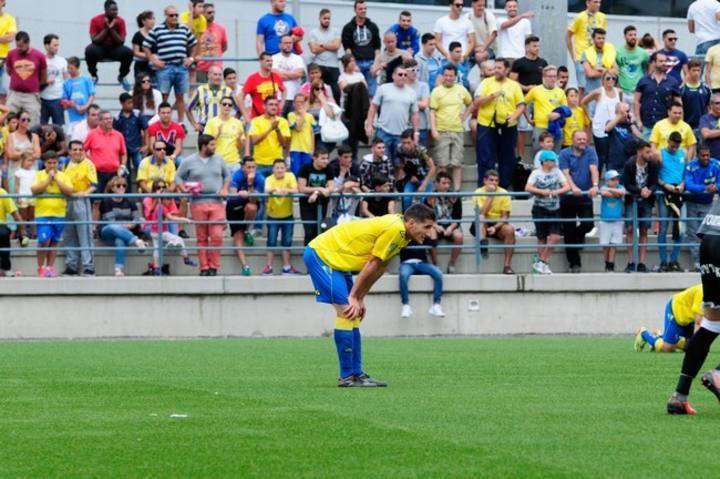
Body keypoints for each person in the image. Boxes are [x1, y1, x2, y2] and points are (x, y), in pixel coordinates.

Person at [304, 202, 436, 387]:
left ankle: (357, 374)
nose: (430, 233)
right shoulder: (396, 229)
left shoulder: (403, 234)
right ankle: (346, 377)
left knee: (353, 313)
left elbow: (381, 266)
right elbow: (373, 262)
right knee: (346, 312)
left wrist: (360, 297)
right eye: (427, 227)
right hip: (323, 255)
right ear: (412, 222)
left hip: (339, 261)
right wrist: (354, 297)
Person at [176, 134, 229, 276]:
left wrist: (224, 189)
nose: (214, 147)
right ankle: (204, 267)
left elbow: (227, 175)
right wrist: (184, 188)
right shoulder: (189, 161)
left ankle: (214, 265)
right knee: (202, 237)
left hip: (216, 202)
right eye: (211, 145)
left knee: (217, 236)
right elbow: (178, 176)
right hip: (198, 202)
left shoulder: (219, 159)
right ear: (203, 146)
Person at [475, 58, 525, 189]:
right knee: (485, 158)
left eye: (499, 68)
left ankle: (504, 187)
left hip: (508, 126)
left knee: (508, 158)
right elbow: (477, 103)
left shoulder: (514, 85)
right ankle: (484, 187)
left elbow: (521, 105)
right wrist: (491, 96)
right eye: (495, 67)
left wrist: (514, 116)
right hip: (487, 125)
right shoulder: (486, 83)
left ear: (507, 70)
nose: (496, 70)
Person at [143, 6, 198, 123]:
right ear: (166, 16)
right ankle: (162, 120)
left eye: (176, 15)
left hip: (181, 67)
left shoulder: (184, 29)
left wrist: (191, 58)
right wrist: (153, 60)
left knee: (180, 96)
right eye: (171, 15)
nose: (174, 17)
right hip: (165, 67)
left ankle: (180, 122)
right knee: (163, 96)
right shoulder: (158, 29)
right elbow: (145, 45)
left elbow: (194, 43)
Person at [558, 131, 599, 273]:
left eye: (585, 139)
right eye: (579, 139)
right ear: (572, 140)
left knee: (588, 224)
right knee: (568, 231)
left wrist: (595, 185)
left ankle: (577, 235)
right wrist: (573, 187)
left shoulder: (591, 152)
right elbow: (565, 173)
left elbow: (593, 169)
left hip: (585, 197)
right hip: (567, 198)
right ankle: (574, 264)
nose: (582, 141)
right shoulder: (564, 153)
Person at [366, 64, 419, 171]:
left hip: (402, 135)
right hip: (383, 131)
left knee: (399, 164)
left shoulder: (412, 93)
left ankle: (397, 187)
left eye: (405, 74)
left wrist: (416, 132)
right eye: (400, 74)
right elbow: (373, 107)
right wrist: (369, 124)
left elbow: (414, 114)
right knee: (382, 162)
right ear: (393, 76)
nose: (403, 77)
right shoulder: (383, 88)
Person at [525, 150, 570, 275]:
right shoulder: (536, 173)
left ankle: (541, 261)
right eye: (552, 160)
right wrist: (542, 192)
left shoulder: (557, 172)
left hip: (554, 209)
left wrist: (557, 192)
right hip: (539, 208)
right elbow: (528, 187)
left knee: (555, 236)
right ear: (544, 162)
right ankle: (543, 266)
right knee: (542, 237)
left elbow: (567, 186)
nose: (555, 163)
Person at [429, 64, 473, 192]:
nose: (448, 78)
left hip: (458, 130)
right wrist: (434, 129)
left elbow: (470, 104)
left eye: (451, 76)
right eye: (446, 75)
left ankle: (457, 190)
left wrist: (464, 116)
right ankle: (442, 189)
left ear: (455, 76)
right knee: (442, 163)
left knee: (457, 162)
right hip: (442, 129)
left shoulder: (461, 89)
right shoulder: (437, 91)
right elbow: (432, 112)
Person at [31, 150, 73, 278]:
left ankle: (50, 267)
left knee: (54, 241)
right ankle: (41, 267)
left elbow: (69, 191)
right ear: (45, 163)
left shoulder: (64, 176)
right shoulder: (38, 175)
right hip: (43, 213)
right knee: (44, 240)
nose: (52, 165)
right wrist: (49, 179)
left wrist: (56, 179)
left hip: (59, 214)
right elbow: (34, 190)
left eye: (54, 163)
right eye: (49, 163)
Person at [143, 180, 197, 275]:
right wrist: (184, 219)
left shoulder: (158, 206)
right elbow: (170, 217)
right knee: (179, 239)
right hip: (161, 232)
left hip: (154, 232)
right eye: (167, 199)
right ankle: (186, 258)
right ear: (162, 199)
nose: (169, 201)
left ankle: (156, 269)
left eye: (170, 199)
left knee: (157, 249)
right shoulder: (162, 207)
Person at [62, 140, 97, 276]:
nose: (77, 152)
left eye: (80, 149)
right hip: (67, 199)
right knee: (69, 234)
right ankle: (72, 265)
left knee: (85, 233)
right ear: (70, 151)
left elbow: (94, 184)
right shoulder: (65, 163)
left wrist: (85, 193)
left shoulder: (88, 164)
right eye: (74, 149)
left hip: (81, 199)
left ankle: (89, 266)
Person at [622, 139, 658, 273]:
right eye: (647, 152)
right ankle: (631, 261)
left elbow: (654, 182)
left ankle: (642, 262)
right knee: (630, 228)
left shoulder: (653, 164)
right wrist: (640, 191)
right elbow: (627, 184)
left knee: (644, 230)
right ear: (639, 152)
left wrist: (649, 190)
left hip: (647, 201)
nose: (650, 154)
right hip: (632, 200)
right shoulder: (629, 164)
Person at [99, 175, 146, 276]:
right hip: (107, 230)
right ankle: (136, 241)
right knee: (113, 227)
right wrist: (129, 225)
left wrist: (130, 225)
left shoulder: (130, 201)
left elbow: (136, 220)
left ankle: (118, 269)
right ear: (112, 188)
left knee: (120, 240)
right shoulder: (106, 201)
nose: (122, 188)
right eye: (118, 185)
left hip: (125, 232)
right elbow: (111, 222)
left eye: (124, 186)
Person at [637, 284, 703, 355]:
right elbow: (699, 323)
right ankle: (644, 333)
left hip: (690, 318)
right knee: (668, 348)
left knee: (689, 348)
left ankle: (661, 335)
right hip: (676, 312)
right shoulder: (703, 292)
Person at [471, 169, 516, 274]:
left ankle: (507, 266)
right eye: (491, 180)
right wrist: (490, 196)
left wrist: (495, 227)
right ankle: (483, 243)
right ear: (485, 181)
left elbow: (505, 217)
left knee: (510, 229)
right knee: (481, 218)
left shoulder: (504, 193)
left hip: (497, 224)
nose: (494, 183)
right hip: (481, 223)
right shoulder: (478, 192)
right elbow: (481, 213)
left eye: (496, 180)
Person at [509, 36, 546, 158]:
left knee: (541, 126)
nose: (537, 48)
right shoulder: (519, 63)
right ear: (527, 47)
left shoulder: (543, 63)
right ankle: (520, 156)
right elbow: (512, 82)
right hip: (524, 98)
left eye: (538, 46)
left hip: (540, 99)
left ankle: (542, 153)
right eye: (534, 46)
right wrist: (526, 88)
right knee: (522, 127)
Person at [261, 159, 300, 275]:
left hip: (287, 215)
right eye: (277, 168)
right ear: (273, 169)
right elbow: (266, 189)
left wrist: (285, 191)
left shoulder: (290, 176)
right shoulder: (269, 179)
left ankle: (287, 267)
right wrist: (275, 190)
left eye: (282, 167)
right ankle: (268, 267)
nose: (279, 170)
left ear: (286, 168)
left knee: (287, 241)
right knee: (271, 241)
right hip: (272, 215)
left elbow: (295, 189)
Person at [685, 144, 720, 271]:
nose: (706, 158)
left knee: (707, 235)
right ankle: (697, 262)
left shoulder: (716, 164)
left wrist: (717, 187)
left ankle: (708, 262)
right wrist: (704, 188)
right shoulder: (691, 166)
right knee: (693, 234)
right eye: (703, 155)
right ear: (698, 155)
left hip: (708, 205)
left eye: (708, 155)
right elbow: (689, 185)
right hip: (692, 204)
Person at [227, 156, 265, 276]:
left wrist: (249, 185)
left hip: (249, 203)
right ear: (243, 167)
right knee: (238, 237)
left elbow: (254, 199)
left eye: (253, 167)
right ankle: (245, 266)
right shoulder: (236, 175)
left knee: (252, 207)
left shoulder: (259, 178)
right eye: (248, 167)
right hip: (234, 206)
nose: (251, 170)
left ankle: (246, 229)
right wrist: (239, 193)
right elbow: (232, 195)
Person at [84, 0, 133, 90]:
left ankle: (122, 76)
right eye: (113, 10)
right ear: (106, 10)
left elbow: (121, 41)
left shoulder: (120, 21)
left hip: (115, 48)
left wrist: (112, 29)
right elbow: (94, 40)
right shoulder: (95, 20)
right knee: (89, 50)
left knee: (128, 52)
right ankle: (94, 76)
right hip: (100, 48)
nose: (116, 12)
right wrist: (106, 28)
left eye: (116, 10)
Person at [656, 132, 686, 272]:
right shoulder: (660, 153)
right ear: (668, 142)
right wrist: (664, 185)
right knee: (663, 228)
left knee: (680, 228)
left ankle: (674, 261)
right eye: (672, 145)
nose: (674, 148)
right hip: (664, 194)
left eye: (677, 146)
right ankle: (663, 261)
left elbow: (686, 173)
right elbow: (654, 176)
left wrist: (682, 185)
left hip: (679, 193)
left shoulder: (683, 153)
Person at [634, 51, 681, 139]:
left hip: (665, 126)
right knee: (646, 151)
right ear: (654, 63)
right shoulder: (643, 80)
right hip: (647, 125)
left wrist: (680, 122)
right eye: (661, 61)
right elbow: (636, 101)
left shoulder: (673, 82)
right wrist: (638, 120)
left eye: (665, 61)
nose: (664, 63)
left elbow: (678, 103)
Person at [83, 110, 127, 200]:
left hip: (115, 173)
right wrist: (90, 162)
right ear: (99, 121)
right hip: (97, 173)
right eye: (106, 119)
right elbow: (83, 150)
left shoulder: (119, 135)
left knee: (114, 200)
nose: (109, 120)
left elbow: (123, 153)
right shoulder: (92, 134)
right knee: (97, 202)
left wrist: (122, 166)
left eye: (110, 118)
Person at [581, 72, 621, 173]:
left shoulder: (619, 92)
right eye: (608, 78)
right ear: (602, 80)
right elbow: (583, 102)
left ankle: (611, 180)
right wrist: (590, 116)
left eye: (613, 78)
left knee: (612, 155)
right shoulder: (598, 92)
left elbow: (620, 107)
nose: (611, 80)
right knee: (602, 156)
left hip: (614, 127)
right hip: (600, 127)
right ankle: (597, 180)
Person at [6, 31, 46, 126]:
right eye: (17, 46)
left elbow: (43, 76)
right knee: (9, 120)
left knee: (32, 122)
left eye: (21, 46)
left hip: (31, 95)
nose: (19, 48)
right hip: (14, 94)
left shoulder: (39, 56)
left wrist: (32, 84)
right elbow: (9, 71)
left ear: (28, 43)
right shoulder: (11, 54)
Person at [399, 236, 445, 319]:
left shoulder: (422, 235)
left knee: (438, 273)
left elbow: (434, 244)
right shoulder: (403, 235)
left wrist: (431, 233)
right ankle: (405, 305)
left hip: (422, 263)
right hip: (407, 263)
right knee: (403, 275)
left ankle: (436, 304)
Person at [341, 0, 381, 97]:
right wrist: (353, 64)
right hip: (356, 63)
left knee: (372, 92)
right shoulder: (348, 28)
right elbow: (347, 49)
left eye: (365, 9)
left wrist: (376, 65)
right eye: (360, 9)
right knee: (357, 93)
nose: (363, 11)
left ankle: (371, 112)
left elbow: (377, 48)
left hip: (371, 63)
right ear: (355, 10)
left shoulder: (373, 26)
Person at [566, 0, 606, 94]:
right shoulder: (580, 17)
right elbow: (568, 35)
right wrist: (573, 56)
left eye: (599, 2)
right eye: (595, 2)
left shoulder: (602, 17)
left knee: (598, 88)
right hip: (582, 58)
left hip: (597, 59)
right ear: (588, 3)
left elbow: (602, 38)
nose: (598, 5)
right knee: (583, 89)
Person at [426, 172, 462, 274]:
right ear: (436, 183)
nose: (446, 186)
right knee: (430, 233)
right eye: (443, 183)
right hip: (436, 225)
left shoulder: (454, 197)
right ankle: (435, 264)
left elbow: (458, 218)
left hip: (451, 225)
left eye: (448, 183)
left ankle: (451, 264)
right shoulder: (429, 197)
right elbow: (426, 217)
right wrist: (435, 226)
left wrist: (451, 228)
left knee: (459, 236)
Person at [524, 65, 568, 151]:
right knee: (539, 155)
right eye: (550, 76)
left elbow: (566, 110)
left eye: (555, 76)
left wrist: (558, 115)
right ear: (544, 77)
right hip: (541, 127)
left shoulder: (561, 92)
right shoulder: (535, 90)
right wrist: (528, 119)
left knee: (555, 156)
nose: (553, 79)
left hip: (556, 128)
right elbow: (523, 103)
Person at [298, 148, 334, 245]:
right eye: (323, 158)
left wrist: (317, 192)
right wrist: (321, 189)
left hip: (322, 204)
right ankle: (307, 254)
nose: (326, 161)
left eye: (327, 158)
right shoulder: (305, 168)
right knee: (309, 230)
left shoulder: (329, 168)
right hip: (306, 205)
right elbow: (301, 188)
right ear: (314, 158)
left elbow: (331, 187)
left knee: (319, 230)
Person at [249, 96, 290, 180]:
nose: (274, 107)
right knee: (260, 191)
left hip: (276, 164)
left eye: (276, 105)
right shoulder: (255, 121)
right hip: (259, 163)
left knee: (275, 191)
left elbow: (284, 144)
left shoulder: (283, 122)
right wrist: (270, 129)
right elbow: (254, 141)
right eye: (271, 104)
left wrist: (277, 129)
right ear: (264, 106)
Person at [203, 95, 246, 170]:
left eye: (230, 105)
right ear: (220, 105)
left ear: (232, 108)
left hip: (234, 162)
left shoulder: (238, 123)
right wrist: (217, 134)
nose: (227, 106)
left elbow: (240, 147)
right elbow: (206, 144)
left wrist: (239, 139)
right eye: (224, 104)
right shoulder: (211, 122)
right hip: (216, 162)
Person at [397, 128, 436, 211]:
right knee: (406, 198)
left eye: (408, 142)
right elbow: (402, 164)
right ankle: (407, 219)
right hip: (411, 178)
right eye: (404, 143)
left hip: (425, 178)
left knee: (425, 202)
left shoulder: (421, 151)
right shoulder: (400, 149)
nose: (406, 146)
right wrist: (405, 177)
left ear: (414, 141)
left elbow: (432, 168)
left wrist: (423, 185)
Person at [113, 92, 147, 185]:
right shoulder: (117, 117)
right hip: (123, 150)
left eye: (132, 102)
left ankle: (143, 194)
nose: (131, 105)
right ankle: (127, 195)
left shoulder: (137, 114)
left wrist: (146, 145)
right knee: (125, 173)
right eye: (128, 103)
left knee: (141, 171)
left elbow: (146, 128)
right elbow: (115, 134)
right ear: (122, 103)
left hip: (137, 148)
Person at [309, 9, 342, 104]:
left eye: (329, 18)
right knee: (319, 89)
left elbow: (337, 46)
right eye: (325, 18)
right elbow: (313, 50)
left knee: (336, 92)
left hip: (333, 66)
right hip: (319, 65)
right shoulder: (313, 32)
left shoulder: (335, 31)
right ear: (320, 18)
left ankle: (337, 112)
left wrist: (321, 45)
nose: (327, 20)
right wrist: (329, 45)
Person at [187, 65, 234, 132]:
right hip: (205, 128)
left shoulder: (228, 91)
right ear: (209, 76)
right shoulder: (200, 90)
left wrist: (233, 123)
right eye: (215, 74)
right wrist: (194, 124)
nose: (218, 77)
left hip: (224, 128)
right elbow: (188, 108)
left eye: (220, 75)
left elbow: (239, 109)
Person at [6, 110, 40, 195]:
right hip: (15, 170)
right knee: (16, 199)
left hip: (31, 170)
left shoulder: (34, 136)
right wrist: (24, 153)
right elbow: (10, 155)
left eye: (28, 119)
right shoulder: (11, 136)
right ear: (18, 120)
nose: (26, 121)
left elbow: (38, 154)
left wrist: (20, 154)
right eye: (23, 119)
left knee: (31, 200)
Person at [242, 52, 286, 118]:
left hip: (273, 117)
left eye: (271, 61)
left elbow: (284, 90)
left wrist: (280, 106)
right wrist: (245, 115)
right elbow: (240, 97)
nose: (270, 63)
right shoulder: (252, 78)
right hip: (257, 118)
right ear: (261, 62)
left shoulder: (276, 76)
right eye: (267, 61)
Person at [598, 169, 626, 273]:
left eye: (617, 179)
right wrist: (615, 193)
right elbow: (604, 193)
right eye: (613, 179)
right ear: (607, 181)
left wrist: (612, 191)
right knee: (605, 244)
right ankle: (606, 263)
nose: (616, 181)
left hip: (617, 220)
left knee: (614, 243)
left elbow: (622, 192)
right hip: (605, 220)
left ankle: (611, 263)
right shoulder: (603, 187)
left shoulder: (620, 187)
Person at [616, 25, 649, 112]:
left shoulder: (643, 53)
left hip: (638, 91)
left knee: (637, 117)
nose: (633, 37)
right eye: (630, 35)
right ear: (625, 36)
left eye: (635, 35)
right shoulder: (618, 52)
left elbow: (650, 67)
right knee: (623, 117)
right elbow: (614, 70)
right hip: (623, 91)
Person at [272, 35, 306, 116]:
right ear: (280, 45)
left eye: (290, 43)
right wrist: (293, 74)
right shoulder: (274, 58)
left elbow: (300, 74)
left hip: (295, 98)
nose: (288, 45)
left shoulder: (298, 58)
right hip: (279, 98)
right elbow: (275, 75)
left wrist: (282, 74)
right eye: (286, 43)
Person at [62, 57, 96, 136]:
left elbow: (92, 95)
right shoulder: (66, 83)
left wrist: (85, 107)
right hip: (73, 118)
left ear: (77, 68)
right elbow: (64, 100)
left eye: (71, 68)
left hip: (86, 117)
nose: (69, 70)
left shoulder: (86, 79)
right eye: (68, 68)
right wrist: (73, 105)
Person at [195, 3, 228, 84]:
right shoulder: (197, 28)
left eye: (213, 12)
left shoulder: (221, 28)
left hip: (216, 68)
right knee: (201, 93)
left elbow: (224, 47)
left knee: (216, 93)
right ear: (202, 13)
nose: (212, 15)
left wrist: (214, 54)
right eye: (209, 13)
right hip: (200, 68)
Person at [604, 101, 641, 173]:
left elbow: (639, 137)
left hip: (629, 162)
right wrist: (619, 115)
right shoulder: (611, 123)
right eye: (624, 112)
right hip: (615, 163)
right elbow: (607, 129)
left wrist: (631, 122)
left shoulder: (631, 125)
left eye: (628, 111)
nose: (626, 114)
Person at [581, 28, 618, 97]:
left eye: (603, 38)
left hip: (607, 94)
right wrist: (608, 71)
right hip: (591, 93)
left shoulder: (610, 52)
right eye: (599, 38)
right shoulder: (586, 53)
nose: (601, 40)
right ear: (593, 39)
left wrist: (601, 70)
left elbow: (616, 71)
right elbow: (590, 74)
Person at [0, 183, 27, 276]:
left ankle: (5, 268)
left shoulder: (2, 193)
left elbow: (15, 214)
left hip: (1, 225)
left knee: (3, 233)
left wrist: (23, 232)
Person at [40, 34, 67, 127]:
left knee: (58, 128)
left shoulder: (62, 61)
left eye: (57, 45)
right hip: (42, 99)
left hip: (58, 99)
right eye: (54, 45)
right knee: (42, 127)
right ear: (47, 46)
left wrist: (66, 99)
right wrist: (46, 81)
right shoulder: (40, 60)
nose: (57, 48)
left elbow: (66, 81)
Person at [287, 93, 315, 177]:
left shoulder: (310, 116)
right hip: (295, 148)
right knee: (296, 173)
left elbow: (312, 133)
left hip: (307, 149)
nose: (299, 104)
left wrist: (312, 149)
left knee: (306, 174)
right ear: (293, 103)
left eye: (302, 102)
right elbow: (298, 128)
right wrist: (303, 114)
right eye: (297, 102)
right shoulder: (291, 115)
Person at [680, 59, 711, 133]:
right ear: (688, 71)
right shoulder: (682, 90)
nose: (696, 73)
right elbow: (680, 109)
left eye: (698, 70)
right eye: (694, 70)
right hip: (687, 127)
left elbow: (709, 108)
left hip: (703, 127)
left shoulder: (706, 89)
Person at [14, 153, 35, 242]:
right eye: (28, 161)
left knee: (32, 216)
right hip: (23, 196)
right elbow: (17, 185)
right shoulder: (18, 172)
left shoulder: (34, 172)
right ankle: (23, 233)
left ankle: (34, 233)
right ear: (22, 161)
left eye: (31, 161)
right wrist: (18, 195)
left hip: (32, 196)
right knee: (23, 216)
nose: (30, 163)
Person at [0, 0, 17, 103]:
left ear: (2, 2)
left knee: (4, 91)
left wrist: (7, 37)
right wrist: (3, 37)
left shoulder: (9, 19)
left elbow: (11, 37)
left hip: (5, 59)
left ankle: (2, 117)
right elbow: (6, 37)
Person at [131, 10, 155, 79]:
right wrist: (149, 56)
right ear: (143, 21)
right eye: (150, 19)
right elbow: (136, 52)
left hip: (154, 65)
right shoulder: (137, 35)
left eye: (153, 18)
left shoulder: (156, 33)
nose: (152, 21)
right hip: (141, 65)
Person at [700, 94, 720, 159]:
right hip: (712, 159)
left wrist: (714, 133)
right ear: (711, 105)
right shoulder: (705, 118)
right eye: (717, 103)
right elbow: (706, 134)